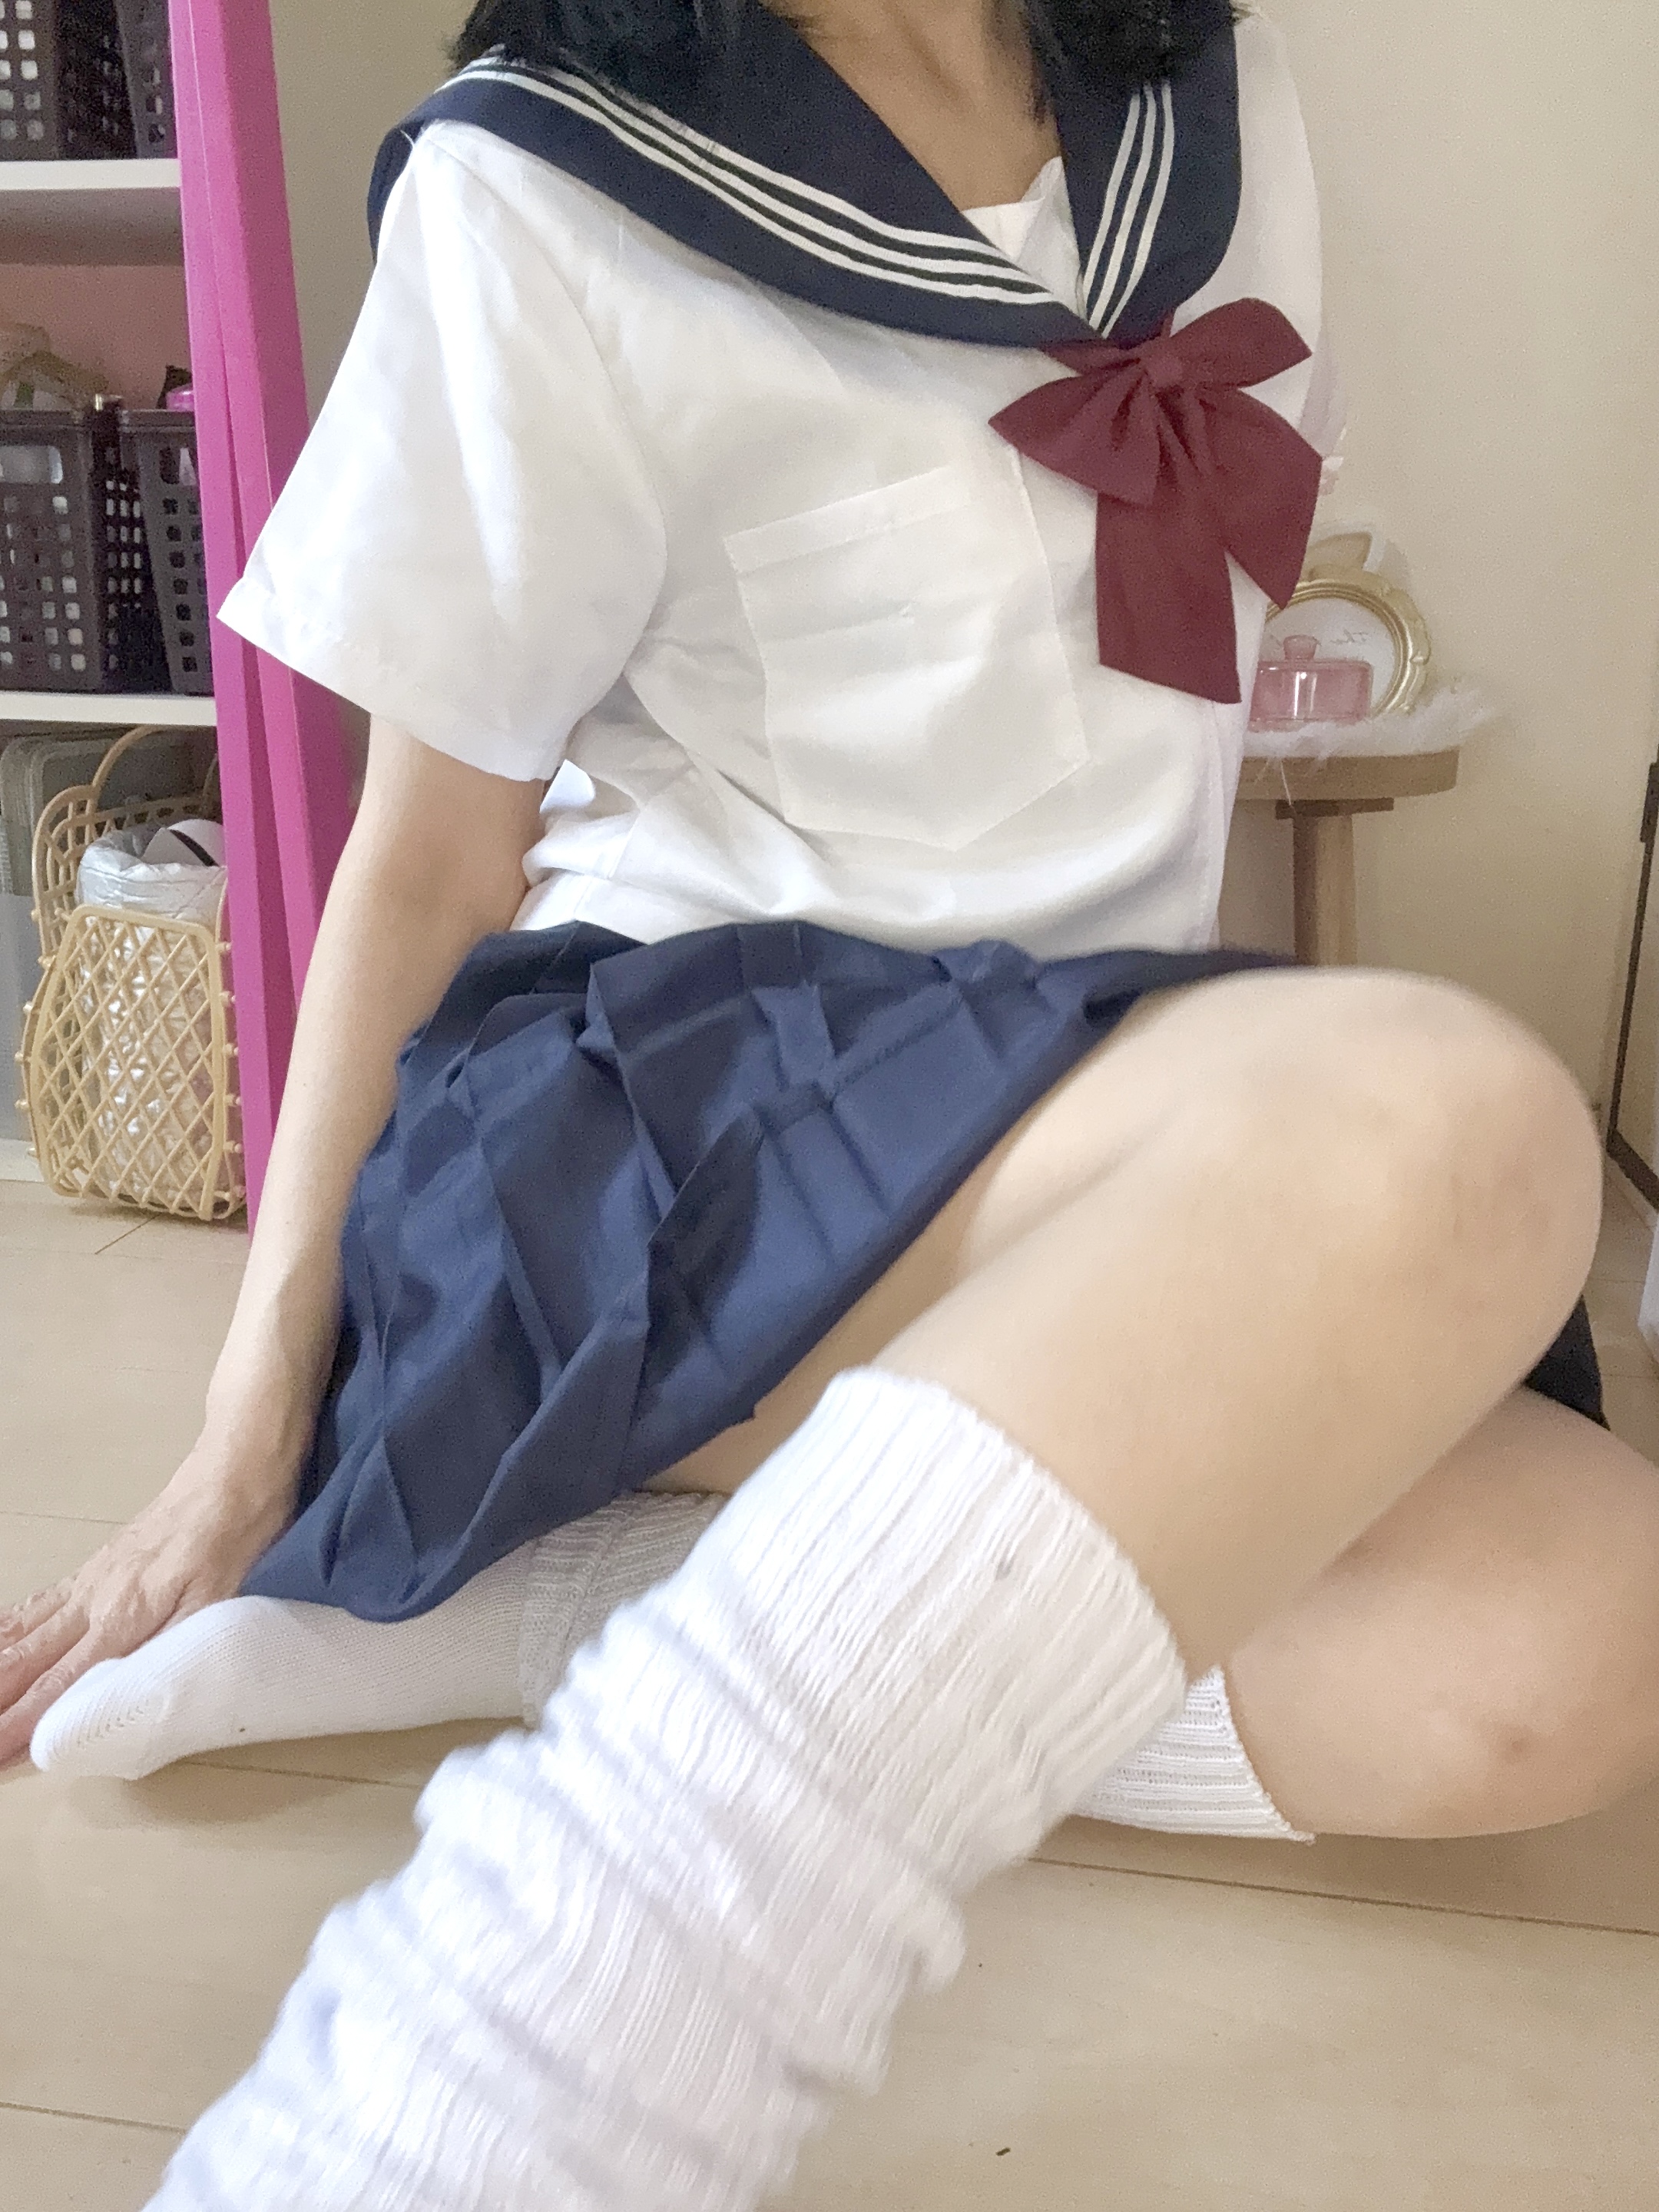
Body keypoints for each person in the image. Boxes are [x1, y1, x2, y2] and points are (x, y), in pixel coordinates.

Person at [5, 0, 1659, 1866]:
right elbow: (427, 862)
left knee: (1572, 1633)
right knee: (1450, 1121)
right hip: (661, 1126)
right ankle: (566, 1915)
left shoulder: (1213, 98)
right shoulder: (538, 182)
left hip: (1078, 1101)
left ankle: (616, 1614)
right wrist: (247, 1438)